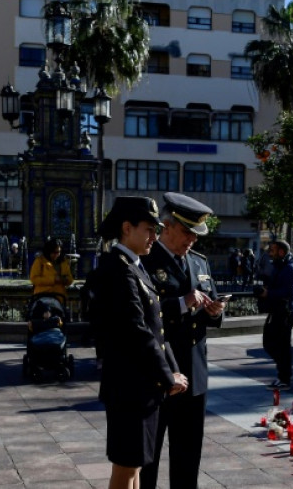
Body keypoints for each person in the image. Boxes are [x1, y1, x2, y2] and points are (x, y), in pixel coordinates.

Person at [93, 196, 188, 489]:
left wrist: (172, 369)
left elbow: (156, 328)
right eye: (148, 229)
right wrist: (166, 375)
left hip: (141, 385)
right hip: (129, 385)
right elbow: (136, 330)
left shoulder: (133, 266)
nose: (154, 237)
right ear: (126, 228)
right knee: (126, 468)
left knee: (134, 465)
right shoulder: (119, 270)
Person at [139, 193, 225, 489]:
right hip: (159, 372)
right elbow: (138, 317)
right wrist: (181, 303)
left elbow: (209, 317)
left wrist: (215, 312)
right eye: (187, 231)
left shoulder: (199, 263)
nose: (193, 240)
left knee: (188, 455)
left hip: (194, 373)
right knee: (148, 455)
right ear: (167, 225)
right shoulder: (145, 262)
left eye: (196, 234)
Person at [259, 239, 293, 390]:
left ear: (281, 252)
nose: (270, 253)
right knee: (269, 343)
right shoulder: (279, 266)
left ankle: (285, 377)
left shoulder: (290, 268)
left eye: (273, 250)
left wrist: (269, 293)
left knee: (282, 346)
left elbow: (290, 292)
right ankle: (283, 372)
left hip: (285, 313)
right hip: (276, 311)